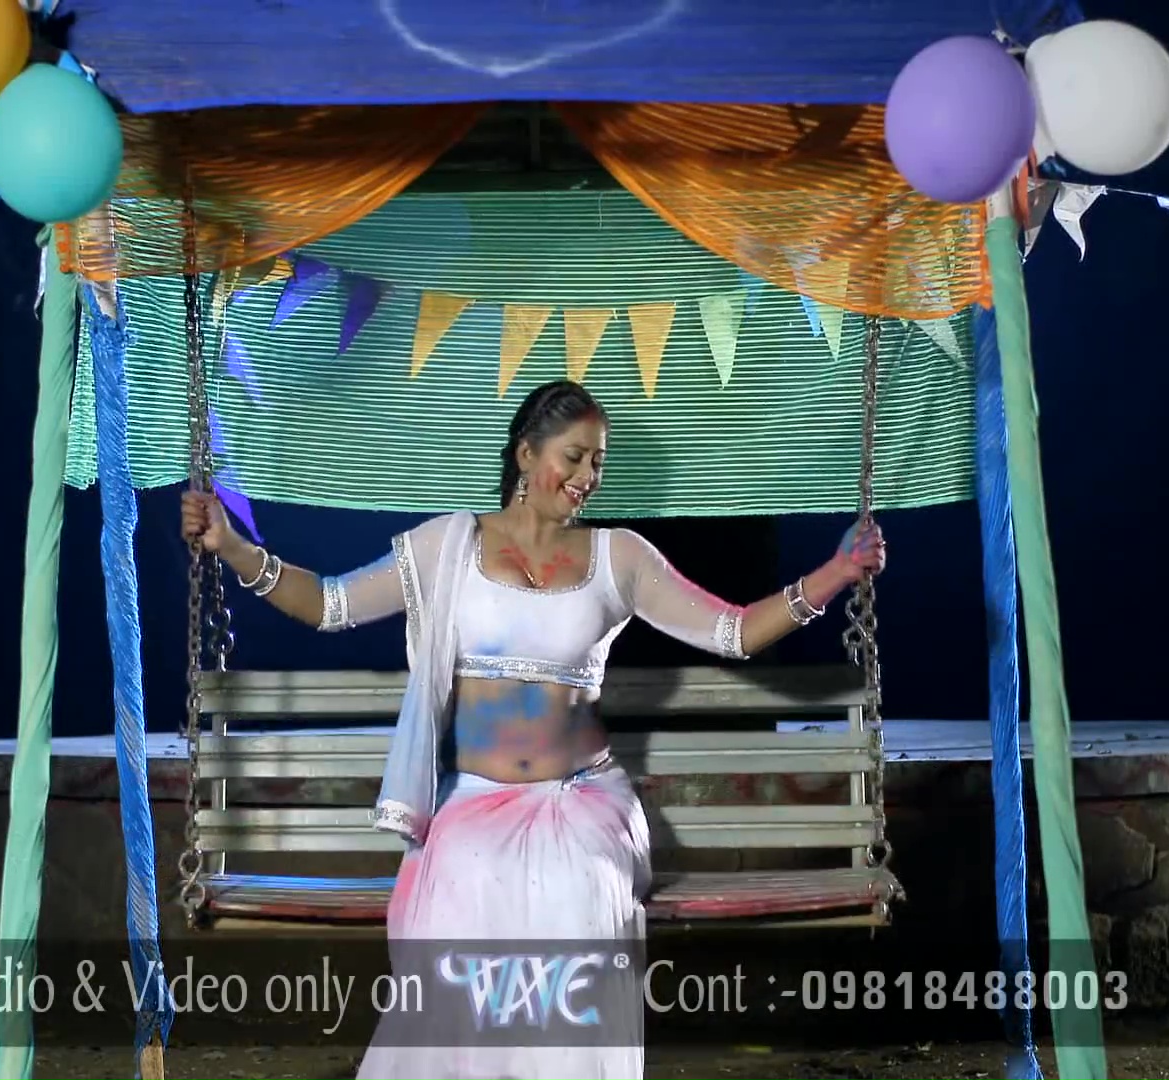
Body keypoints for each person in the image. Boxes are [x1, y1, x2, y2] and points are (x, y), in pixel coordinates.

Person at [179, 379, 886, 1079]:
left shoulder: (620, 557)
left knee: (575, 892)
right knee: (461, 889)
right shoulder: (447, 547)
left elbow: (734, 631)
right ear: (525, 453)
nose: (587, 477)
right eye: (573, 457)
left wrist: (836, 572)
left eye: (598, 462)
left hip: (584, 804)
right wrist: (232, 547)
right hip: (473, 802)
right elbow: (329, 604)